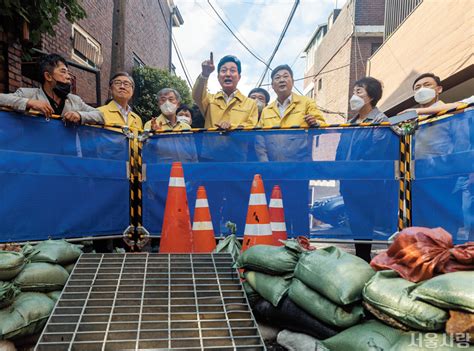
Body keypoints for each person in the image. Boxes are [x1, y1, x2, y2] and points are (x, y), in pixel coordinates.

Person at [336, 77, 394, 262]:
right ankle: (361, 257)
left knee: (365, 222)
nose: (354, 95)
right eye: (354, 91)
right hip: (348, 181)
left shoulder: (380, 120)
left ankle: (366, 259)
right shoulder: (350, 122)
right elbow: (341, 150)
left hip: (368, 182)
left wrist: (354, 168)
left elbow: (377, 151)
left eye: (359, 91)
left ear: (371, 96)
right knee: (355, 222)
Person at [0, 53, 103, 125]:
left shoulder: (75, 100)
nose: (68, 77)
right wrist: (29, 102)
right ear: (48, 76)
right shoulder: (28, 94)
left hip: (65, 152)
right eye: (63, 72)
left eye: (68, 73)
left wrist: (80, 115)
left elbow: (100, 115)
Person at [192, 53, 258, 129]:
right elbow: (196, 96)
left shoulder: (251, 104)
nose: (228, 74)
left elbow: (252, 127)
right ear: (218, 77)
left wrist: (231, 127)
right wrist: (205, 74)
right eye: (223, 70)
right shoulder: (209, 100)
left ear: (239, 77)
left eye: (232, 71)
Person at [259, 64, 324, 128]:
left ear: (293, 82)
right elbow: (259, 135)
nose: (282, 80)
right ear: (272, 85)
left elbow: (323, 126)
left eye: (285, 76)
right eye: (277, 78)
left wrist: (316, 123)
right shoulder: (266, 111)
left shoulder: (307, 102)